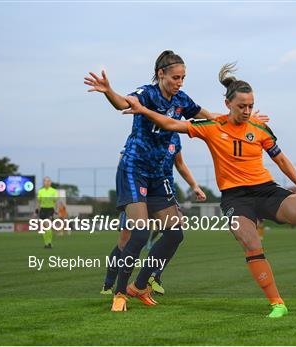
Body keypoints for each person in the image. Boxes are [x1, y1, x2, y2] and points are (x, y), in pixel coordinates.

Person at [121, 63, 296, 318]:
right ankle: (277, 303)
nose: (247, 110)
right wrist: (142, 109)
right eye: (242, 106)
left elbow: (281, 160)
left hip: (266, 191)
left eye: (250, 106)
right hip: (236, 198)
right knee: (250, 241)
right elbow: (171, 124)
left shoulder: (259, 128)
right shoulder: (212, 126)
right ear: (228, 104)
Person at [85, 50, 219, 312]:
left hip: (159, 175)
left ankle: (140, 285)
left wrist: (241, 119)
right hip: (134, 168)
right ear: (161, 74)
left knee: (175, 233)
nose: (180, 82)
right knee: (140, 231)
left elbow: (209, 115)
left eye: (183, 78)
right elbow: (124, 103)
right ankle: (120, 293)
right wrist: (108, 91)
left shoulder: (181, 99)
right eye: (175, 77)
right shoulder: (146, 93)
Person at [100, 133, 206, 295]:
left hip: (163, 192)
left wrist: (194, 186)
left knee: (175, 233)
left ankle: (153, 275)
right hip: (137, 191)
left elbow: (180, 164)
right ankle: (109, 284)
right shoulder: (143, 131)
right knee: (126, 240)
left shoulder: (174, 137)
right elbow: (123, 159)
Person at [36, 177, 59, 249]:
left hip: (50, 209)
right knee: (44, 228)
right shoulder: (40, 191)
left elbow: (55, 202)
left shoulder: (54, 191)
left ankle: (49, 243)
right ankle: (46, 243)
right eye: (45, 181)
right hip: (42, 210)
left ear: (50, 182)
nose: (47, 182)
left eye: (48, 181)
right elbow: (39, 201)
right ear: (43, 182)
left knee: (47, 225)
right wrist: (37, 209)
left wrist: (56, 210)